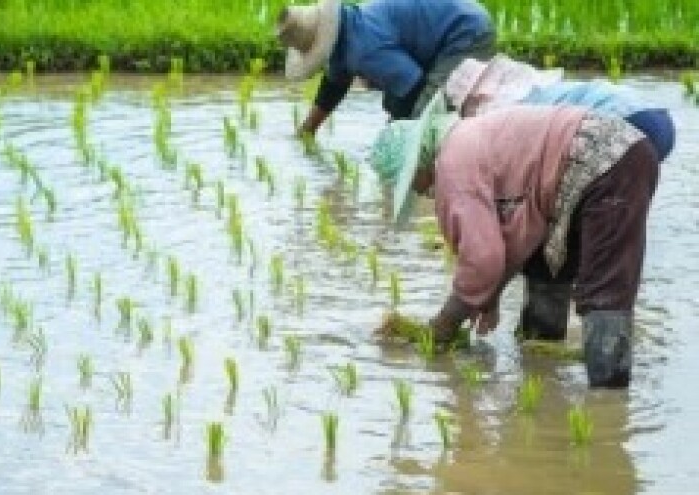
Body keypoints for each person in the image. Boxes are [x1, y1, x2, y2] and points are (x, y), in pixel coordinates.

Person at [370, 91, 660, 388]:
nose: (418, 191)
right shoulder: (469, 139)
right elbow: (517, 235)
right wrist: (488, 295)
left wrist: (445, 323)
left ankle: (608, 397)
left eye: (412, 183)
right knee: (545, 265)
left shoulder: (452, 161)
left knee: (604, 289)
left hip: (608, 164)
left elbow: (483, 258)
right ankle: (544, 365)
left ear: (418, 163)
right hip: (609, 158)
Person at [444, 55, 676, 341]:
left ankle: (566, 334)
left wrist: (483, 291)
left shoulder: (502, 112)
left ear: (472, 100)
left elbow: (523, 202)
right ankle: (552, 341)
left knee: (568, 239)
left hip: (620, 127)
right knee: (590, 230)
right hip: (652, 119)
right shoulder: (532, 93)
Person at [276, 0, 495, 136]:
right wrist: (307, 130)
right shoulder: (348, 28)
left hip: (465, 31)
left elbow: (414, 87)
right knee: (397, 105)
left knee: (428, 119)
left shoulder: (362, 48)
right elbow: (333, 87)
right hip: (445, 29)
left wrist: (396, 136)